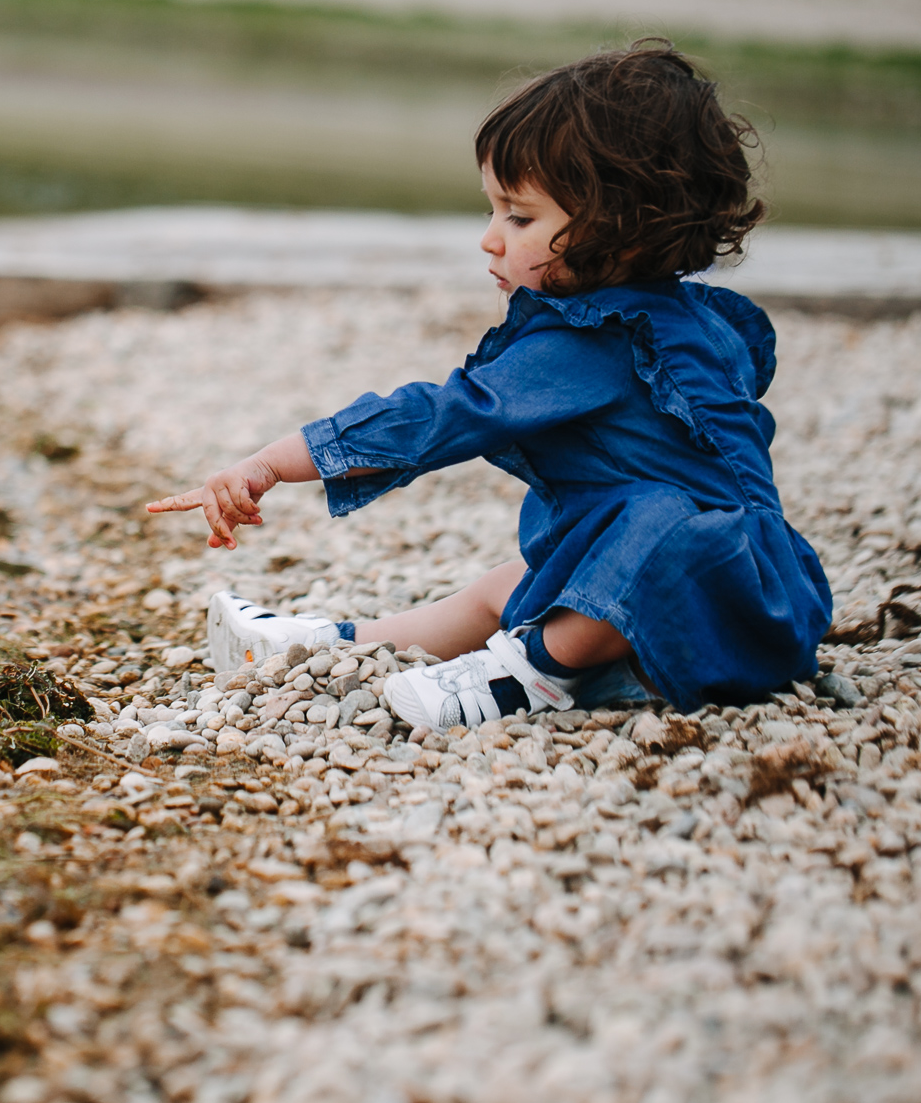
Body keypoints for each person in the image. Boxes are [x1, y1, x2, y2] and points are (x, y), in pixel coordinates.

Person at [145, 40, 832, 729]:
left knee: (659, 521)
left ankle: (534, 677)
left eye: (520, 216)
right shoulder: (697, 320)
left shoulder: (597, 341)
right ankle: (335, 645)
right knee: (508, 586)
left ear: (622, 230)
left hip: (728, 603)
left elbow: (444, 415)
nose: (490, 239)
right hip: (745, 605)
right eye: (493, 210)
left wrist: (272, 462)